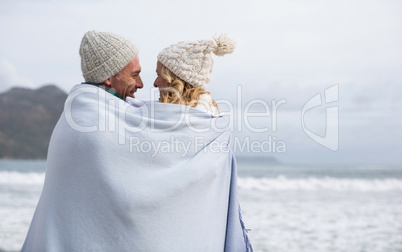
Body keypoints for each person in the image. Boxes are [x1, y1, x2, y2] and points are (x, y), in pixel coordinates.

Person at [22, 31, 252, 252]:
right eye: (134, 75)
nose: (143, 84)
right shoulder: (91, 122)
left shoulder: (82, 114)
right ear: (108, 77)